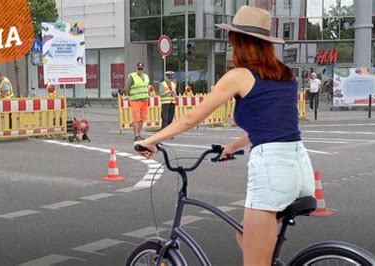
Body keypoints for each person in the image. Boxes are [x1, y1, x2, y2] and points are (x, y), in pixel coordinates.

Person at [134, 6, 315, 266]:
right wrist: (233, 145)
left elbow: (191, 118)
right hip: (300, 168)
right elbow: (273, 126)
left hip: (272, 171)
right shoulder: (284, 74)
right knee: (245, 236)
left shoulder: (239, 76)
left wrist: (150, 140)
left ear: (239, 41)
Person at [125, 62, 150, 141]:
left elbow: (146, 87)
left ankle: (139, 134)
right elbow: (127, 87)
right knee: (136, 119)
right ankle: (136, 136)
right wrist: (128, 95)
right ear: (136, 68)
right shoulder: (131, 76)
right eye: (138, 68)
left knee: (142, 119)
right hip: (135, 100)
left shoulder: (146, 77)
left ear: (144, 69)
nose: (140, 70)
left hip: (144, 100)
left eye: (141, 68)